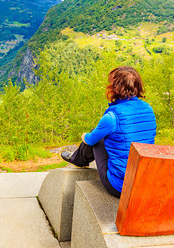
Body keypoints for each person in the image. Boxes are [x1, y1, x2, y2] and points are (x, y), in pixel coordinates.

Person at [61, 66, 156, 198]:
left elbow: (90, 140)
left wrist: (84, 136)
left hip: (119, 185)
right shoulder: (148, 110)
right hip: (142, 181)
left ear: (115, 88)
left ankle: (77, 159)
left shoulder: (112, 117)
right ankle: (77, 158)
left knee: (96, 135)